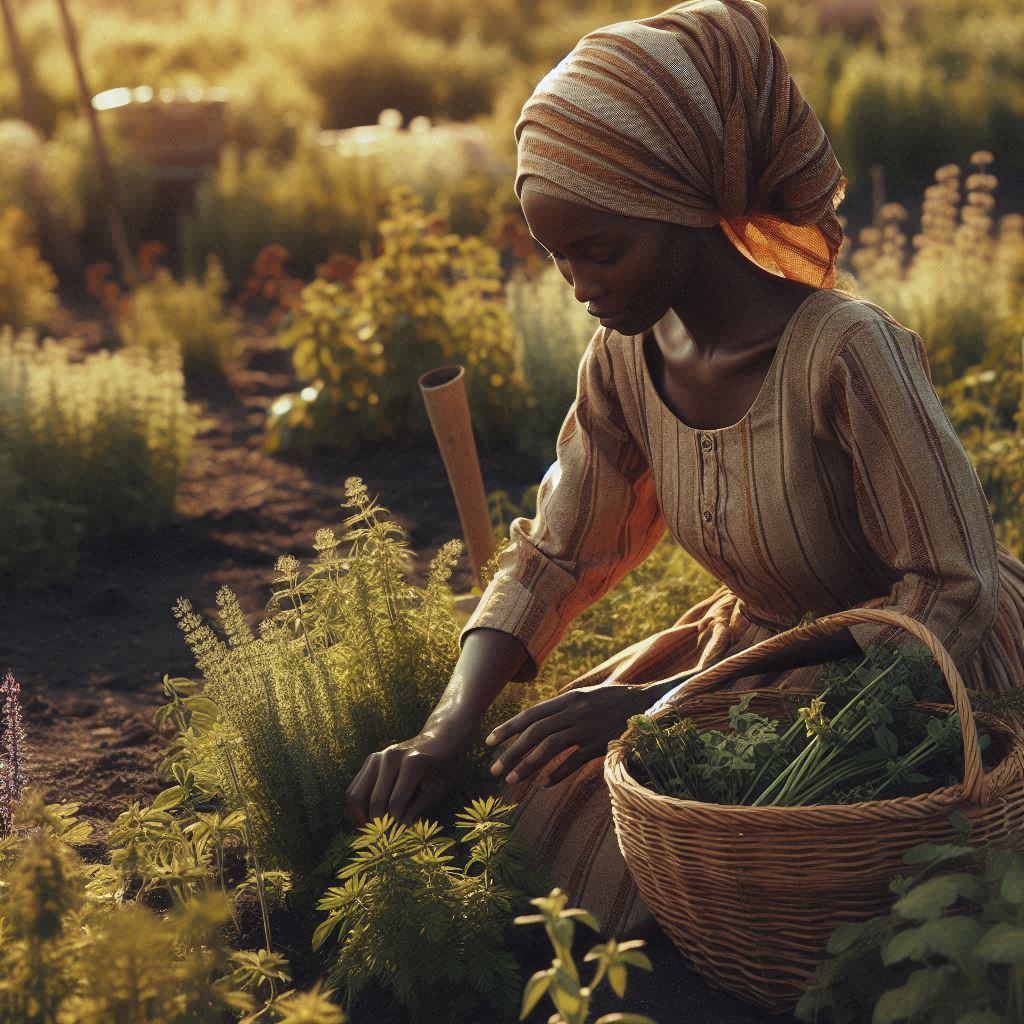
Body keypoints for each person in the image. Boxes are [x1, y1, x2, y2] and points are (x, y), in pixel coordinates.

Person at [346, 0, 1024, 937]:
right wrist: (439, 733)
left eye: (602, 250)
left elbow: (954, 588)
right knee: (538, 821)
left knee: (815, 870)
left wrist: (664, 705)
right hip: (747, 658)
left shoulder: (845, 353)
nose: (580, 285)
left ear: (686, 209)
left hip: (904, 673)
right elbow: (557, 554)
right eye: (557, 257)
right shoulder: (625, 359)